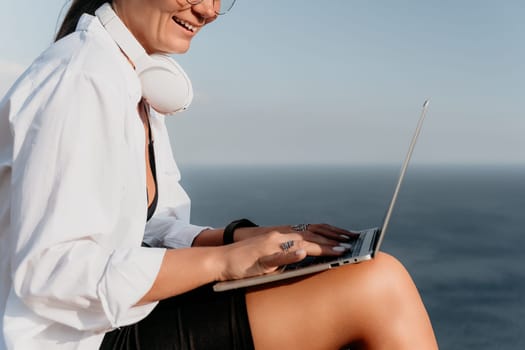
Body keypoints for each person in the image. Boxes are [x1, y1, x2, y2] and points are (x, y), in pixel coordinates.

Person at [0, 0, 438, 349]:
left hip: (122, 314)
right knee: (377, 287)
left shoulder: (134, 81)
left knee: (370, 273)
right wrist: (224, 264)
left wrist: (243, 239)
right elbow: (49, 273)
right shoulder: (79, 80)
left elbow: (152, 227)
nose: (208, 9)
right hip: (81, 337)